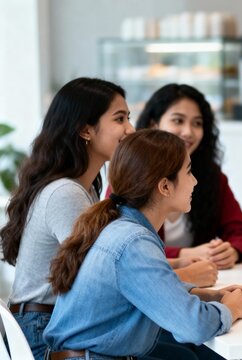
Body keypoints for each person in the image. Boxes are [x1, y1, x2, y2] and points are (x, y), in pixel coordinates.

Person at [43, 129, 242, 360]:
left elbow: (150, 286)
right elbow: (193, 327)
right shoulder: (133, 242)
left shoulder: (119, 226)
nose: (195, 181)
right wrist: (233, 308)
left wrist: (208, 296)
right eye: (188, 172)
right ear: (165, 186)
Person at [0, 78, 135, 359]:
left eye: (128, 118)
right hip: (45, 334)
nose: (130, 130)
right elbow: (101, 276)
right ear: (86, 130)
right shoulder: (66, 193)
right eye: (119, 119)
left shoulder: (85, 188)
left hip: (52, 324)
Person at [136, 84, 242, 269]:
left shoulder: (212, 177)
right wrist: (183, 255)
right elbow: (127, 246)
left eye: (197, 123)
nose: (188, 132)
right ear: (154, 124)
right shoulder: (131, 175)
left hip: (205, 282)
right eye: (178, 121)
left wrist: (231, 251)